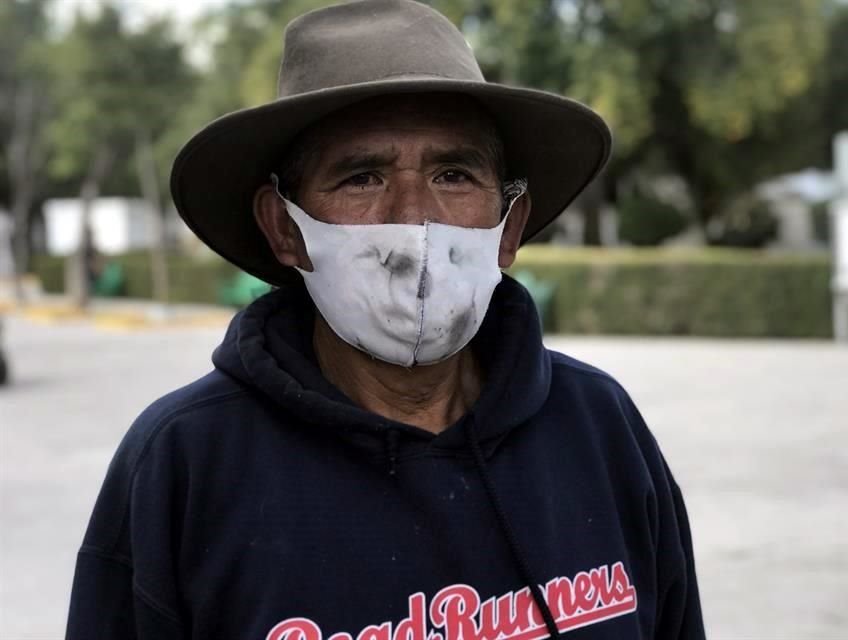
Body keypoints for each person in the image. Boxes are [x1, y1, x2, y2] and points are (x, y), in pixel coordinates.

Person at [66, 1, 705, 639]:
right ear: (285, 229)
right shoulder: (187, 464)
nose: (414, 220)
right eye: (362, 177)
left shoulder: (597, 426)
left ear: (508, 228)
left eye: (454, 174)